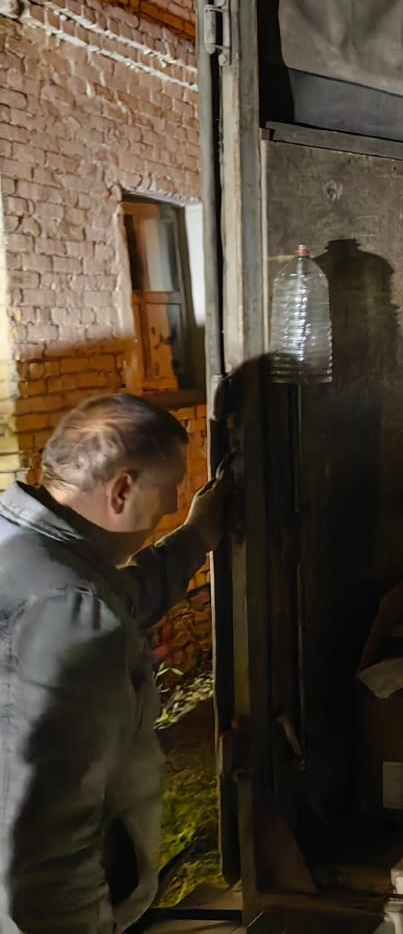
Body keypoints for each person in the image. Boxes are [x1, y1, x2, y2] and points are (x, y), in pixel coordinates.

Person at [0, 393, 226, 933]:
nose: (173, 503)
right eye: (170, 488)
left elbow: (113, 597)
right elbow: (52, 830)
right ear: (122, 488)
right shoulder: (68, 608)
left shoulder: (22, 548)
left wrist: (196, 536)